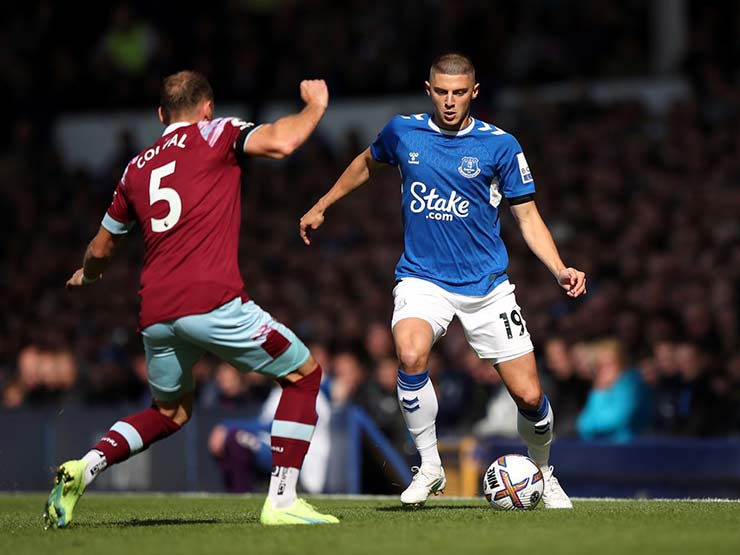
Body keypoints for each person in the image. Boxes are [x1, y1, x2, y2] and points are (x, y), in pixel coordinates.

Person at [44, 70, 338, 528]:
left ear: (160, 115)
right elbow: (282, 141)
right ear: (207, 107)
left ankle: (85, 467)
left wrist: (89, 275)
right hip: (213, 304)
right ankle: (281, 501)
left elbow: (101, 248)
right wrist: (316, 106)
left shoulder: (135, 168)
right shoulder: (217, 132)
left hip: (157, 315)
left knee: (169, 411)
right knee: (304, 375)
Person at [300, 53, 586, 509]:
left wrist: (560, 268)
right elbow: (366, 163)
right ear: (428, 90)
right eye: (442, 92)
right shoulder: (402, 131)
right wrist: (323, 203)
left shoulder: (501, 145)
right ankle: (430, 466)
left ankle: (545, 472)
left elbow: (527, 217)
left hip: (487, 285)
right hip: (422, 278)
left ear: (474, 92)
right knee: (410, 353)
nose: (450, 102)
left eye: (459, 93)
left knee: (530, 396)